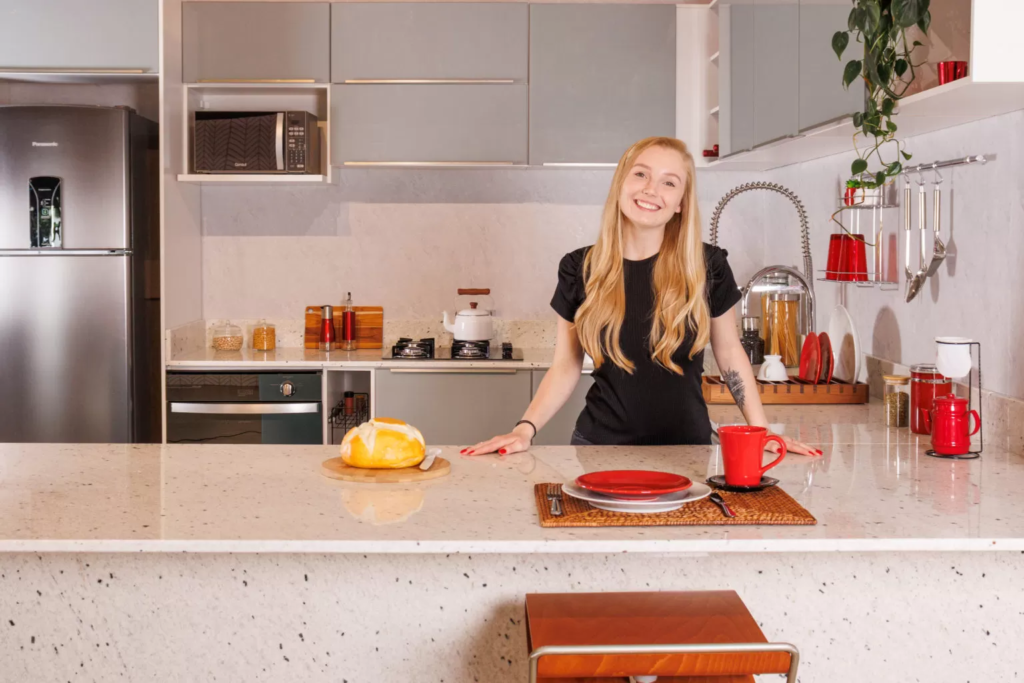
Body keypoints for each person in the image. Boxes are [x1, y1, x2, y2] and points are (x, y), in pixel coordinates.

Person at [462, 136, 820, 457]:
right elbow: (566, 364)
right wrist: (524, 430)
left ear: (680, 202)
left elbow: (729, 353)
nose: (651, 190)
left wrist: (761, 432)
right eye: (641, 175)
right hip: (599, 449)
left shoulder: (707, 265)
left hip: (688, 450)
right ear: (621, 183)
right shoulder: (579, 268)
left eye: (669, 182)